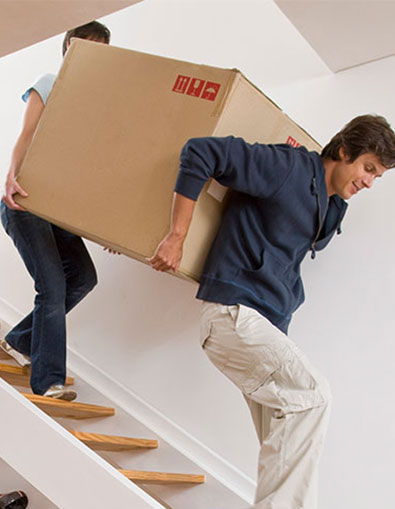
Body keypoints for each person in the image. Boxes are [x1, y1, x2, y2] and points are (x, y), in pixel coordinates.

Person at [150, 115, 395, 508]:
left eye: (377, 177)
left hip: (266, 326)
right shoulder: (288, 167)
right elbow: (200, 151)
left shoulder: (329, 205)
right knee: (313, 397)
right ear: (345, 151)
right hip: (234, 315)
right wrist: (176, 235)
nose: (369, 182)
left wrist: (336, 205)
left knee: (287, 441)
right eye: (368, 169)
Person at [0, 21, 111, 401]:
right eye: (84, 44)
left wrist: (108, 227)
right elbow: (26, 135)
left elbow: (90, 172)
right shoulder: (48, 83)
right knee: (52, 286)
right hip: (26, 199)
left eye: (100, 48)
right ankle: (48, 381)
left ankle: (19, 340)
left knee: (82, 277)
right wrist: (11, 177)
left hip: (57, 209)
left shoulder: (95, 110)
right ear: (68, 47)